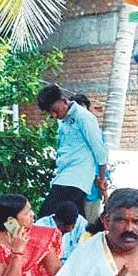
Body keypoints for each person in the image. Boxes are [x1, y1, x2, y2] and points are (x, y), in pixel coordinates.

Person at [36, 84, 108, 219]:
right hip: (64, 176)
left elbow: (100, 151)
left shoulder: (84, 118)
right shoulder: (63, 120)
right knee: (75, 222)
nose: (54, 115)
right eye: (50, 112)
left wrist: (101, 178)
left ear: (63, 101)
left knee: (46, 218)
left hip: (75, 179)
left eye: (55, 110)